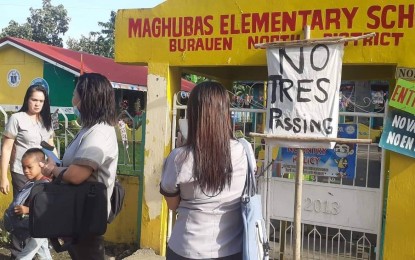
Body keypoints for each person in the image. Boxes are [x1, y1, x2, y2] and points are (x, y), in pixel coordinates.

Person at [160, 81, 250, 259]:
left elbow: (172, 205)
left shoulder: (180, 157)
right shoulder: (244, 150)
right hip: (233, 250)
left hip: (187, 249)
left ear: (193, 114)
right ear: (225, 113)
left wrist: (182, 147)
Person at [40, 73, 119, 260]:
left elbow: (77, 175)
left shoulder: (99, 133)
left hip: (88, 215)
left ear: (87, 98)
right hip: (78, 212)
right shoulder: (89, 129)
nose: (72, 99)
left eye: (75, 94)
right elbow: (74, 166)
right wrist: (58, 165)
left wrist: (53, 170)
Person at [1, 84, 55, 198]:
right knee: (21, 206)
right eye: (34, 100)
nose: (37, 104)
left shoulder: (47, 120)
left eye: (41, 101)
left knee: (40, 206)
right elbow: (6, 149)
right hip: (22, 172)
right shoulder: (16, 118)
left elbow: (51, 147)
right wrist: (3, 177)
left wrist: (54, 168)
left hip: (42, 173)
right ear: (27, 100)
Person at [4, 148, 52, 260]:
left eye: (29, 167)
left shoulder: (45, 185)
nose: (25, 170)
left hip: (40, 225)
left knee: (25, 255)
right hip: (35, 227)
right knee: (43, 251)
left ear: (41, 165)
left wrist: (27, 210)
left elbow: (46, 207)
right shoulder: (31, 183)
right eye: (23, 167)